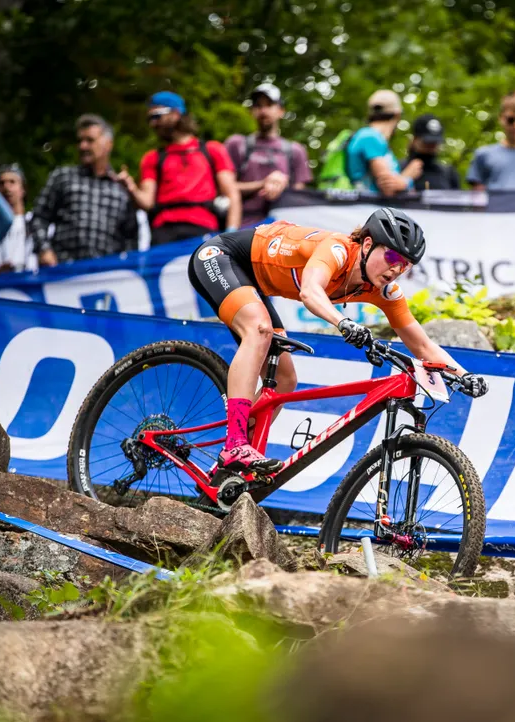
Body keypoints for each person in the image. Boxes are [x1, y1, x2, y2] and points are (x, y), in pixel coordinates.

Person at [186, 208, 488, 473]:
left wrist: (464, 375)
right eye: (393, 256)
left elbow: (422, 345)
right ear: (367, 244)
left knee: (286, 378)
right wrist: (343, 322)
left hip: (253, 283)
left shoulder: (382, 289)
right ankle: (236, 443)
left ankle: (228, 470)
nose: (396, 269)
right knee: (260, 329)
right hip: (220, 257)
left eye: (406, 265)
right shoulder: (338, 250)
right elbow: (310, 291)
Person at [119, 91, 240, 245]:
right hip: (163, 233)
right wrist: (131, 188)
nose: (152, 124)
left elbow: (232, 194)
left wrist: (231, 235)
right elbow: (147, 202)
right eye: (150, 119)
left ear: (175, 113)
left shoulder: (212, 150)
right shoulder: (152, 158)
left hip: (204, 229)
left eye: (156, 116)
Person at [30, 114, 139, 264]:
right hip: (62, 271)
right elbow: (38, 217)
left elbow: (131, 238)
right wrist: (44, 250)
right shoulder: (62, 177)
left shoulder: (121, 189)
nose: (83, 146)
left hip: (106, 276)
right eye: (80, 141)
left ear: (108, 144)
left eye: (90, 140)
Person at [225, 84, 312, 227]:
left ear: (281, 111)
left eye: (269, 105)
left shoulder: (296, 151)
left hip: (283, 229)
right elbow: (223, 188)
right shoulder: (237, 145)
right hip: (242, 227)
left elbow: (299, 197)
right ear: (252, 111)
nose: (263, 110)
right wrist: (263, 184)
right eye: (258, 106)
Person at [346, 89, 417, 197]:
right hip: (367, 209)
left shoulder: (367, 136)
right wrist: (408, 178)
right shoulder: (371, 137)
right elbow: (389, 188)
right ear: (397, 115)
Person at [0, 164, 37, 273]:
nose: (6, 187)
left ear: (23, 190)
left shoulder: (36, 221)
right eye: (1, 183)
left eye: (12, 182)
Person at [400, 114, 462, 190]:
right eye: (427, 143)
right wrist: (404, 179)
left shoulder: (448, 174)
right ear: (414, 140)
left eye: (434, 143)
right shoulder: (397, 168)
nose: (431, 147)